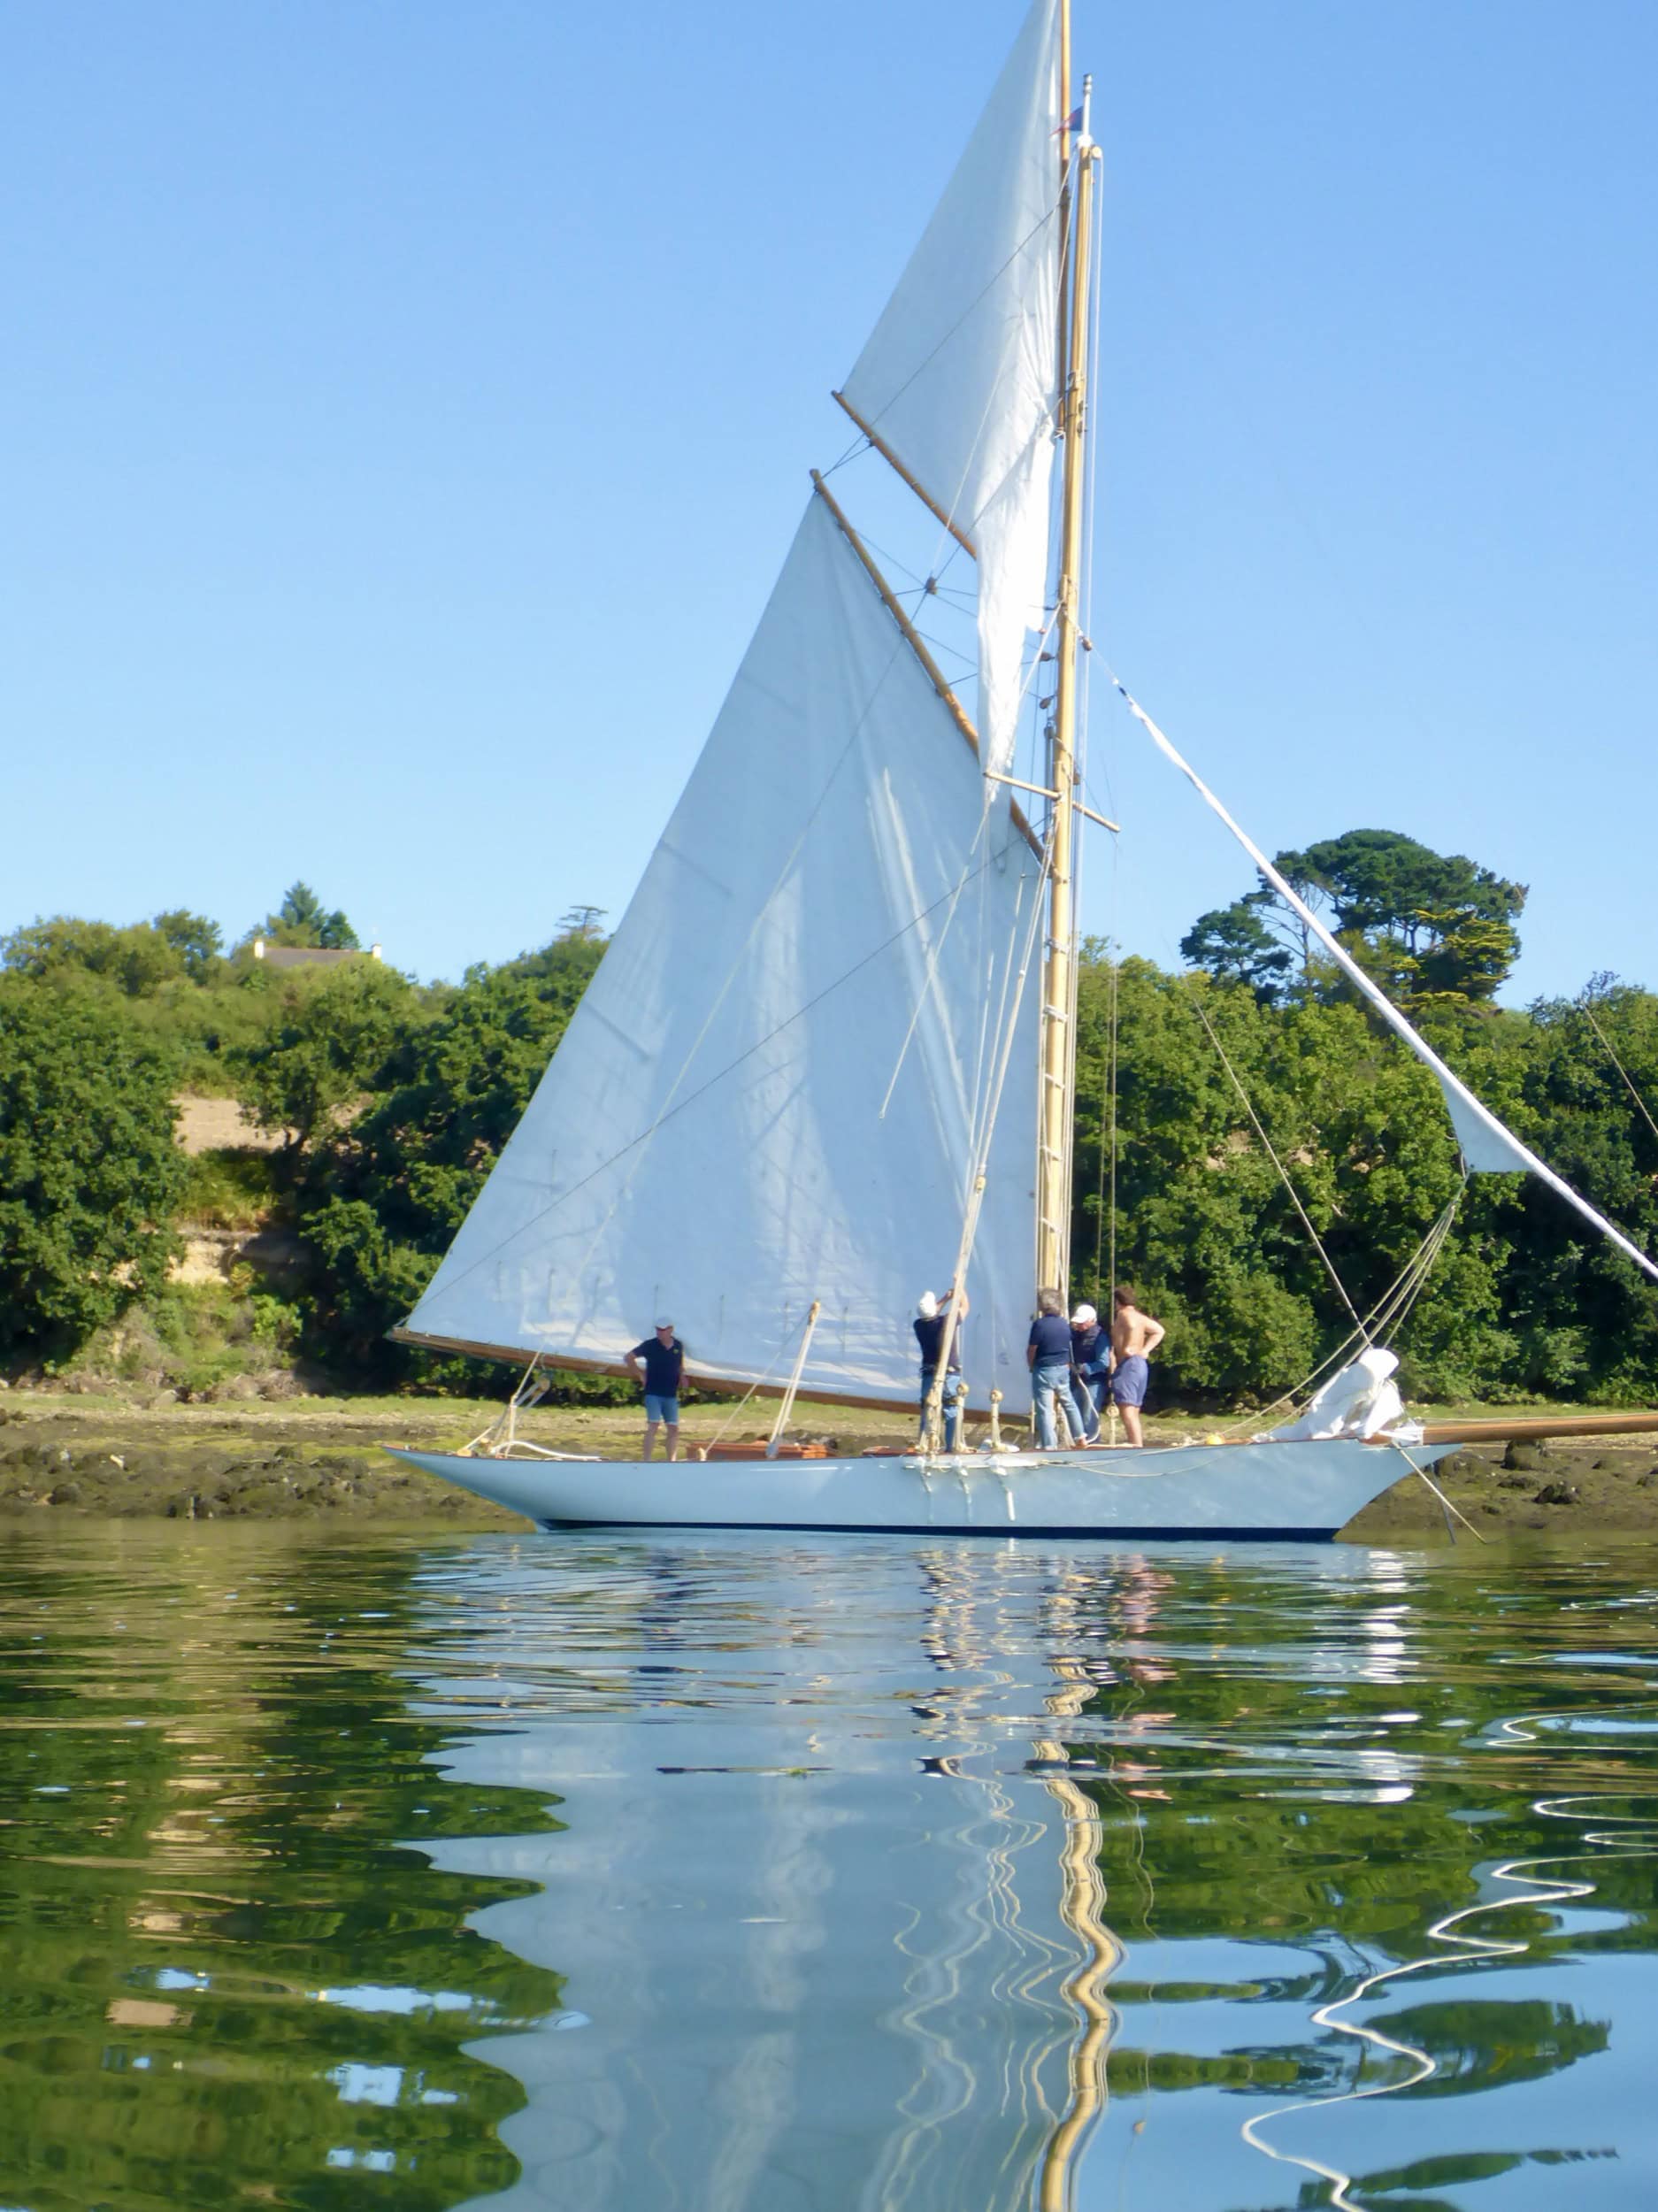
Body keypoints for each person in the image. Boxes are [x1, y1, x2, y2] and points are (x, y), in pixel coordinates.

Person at [1027, 1289, 1084, 1450]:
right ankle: (1080, 1435)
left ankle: (1049, 1445)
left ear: (1042, 1305)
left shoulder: (1039, 1325)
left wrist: (1031, 1365)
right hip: (1062, 1368)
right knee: (1069, 1402)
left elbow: (1032, 1348)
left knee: (1045, 1409)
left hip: (1044, 1369)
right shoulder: (1064, 1324)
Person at [1108, 1286, 1165, 1447]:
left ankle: (1137, 1446)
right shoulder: (1140, 1317)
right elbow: (1159, 1331)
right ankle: (1136, 1444)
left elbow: (1131, 1326)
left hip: (1129, 1364)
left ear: (1118, 1301)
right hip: (1140, 1365)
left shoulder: (1124, 1315)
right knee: (1134, 1410)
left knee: (1127, 1410)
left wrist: (1130, 1347)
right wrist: (1145, 1350)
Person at [913, 1286, 968, 1453]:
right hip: (949, 1374)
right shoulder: (947, 1322)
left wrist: (945, 1298)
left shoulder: (918, 1325)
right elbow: (965, 1307)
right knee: (951, 1410)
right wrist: (960, 1290)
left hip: (929, 1374)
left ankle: (924, 1445)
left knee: (928, 1410)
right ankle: (951, 1447)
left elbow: (930, 1312)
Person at [625, 1317, 686, 1463]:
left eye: (663, 1330)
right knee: (654, 1425)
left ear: (670, 1330)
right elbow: (629, 1357)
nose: (660, 1332)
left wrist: (682, 1376)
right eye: (658, 1329)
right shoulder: (650, 1345)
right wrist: (640, 1375)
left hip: (671, 1393)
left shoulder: (678, 1345)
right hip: (653, 1392)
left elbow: (679, 1364)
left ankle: (671, 1461)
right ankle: (647, 1460)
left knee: (673, 1428)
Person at [1068, 1302, 1107, 1442]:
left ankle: (1093, 1444)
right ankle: (1078, 1444)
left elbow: (1104, 1362)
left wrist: (1085, 1368)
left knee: (1089, 1417)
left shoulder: (1100, 1337)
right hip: (1077, 1381)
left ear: (1091, 1321)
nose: (1079, 1326)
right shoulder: (1074, 1335)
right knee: (1075, 1417)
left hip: (1093, 1383)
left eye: (1082, 1323)